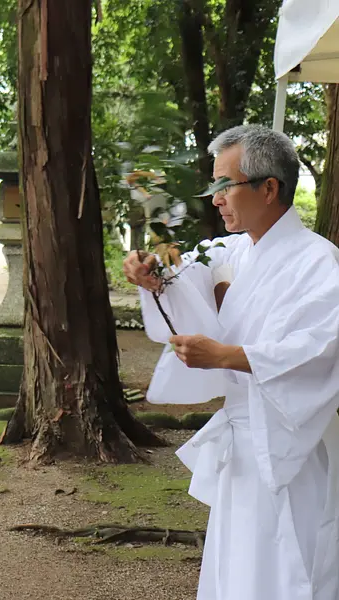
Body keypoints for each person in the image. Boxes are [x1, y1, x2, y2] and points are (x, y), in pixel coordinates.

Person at [123, 124, 339, 600]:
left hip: (288, 445)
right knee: (236, 568)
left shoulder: (320, 263)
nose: (215, 198)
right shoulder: (233, 250)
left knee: (287, 563)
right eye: (213, 187)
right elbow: (191, 285)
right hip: (242, 443)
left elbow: (322, 346)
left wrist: (230, 356)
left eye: (225, 185)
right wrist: (156, 280)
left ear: (269, 188)